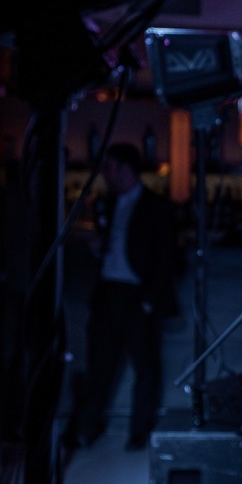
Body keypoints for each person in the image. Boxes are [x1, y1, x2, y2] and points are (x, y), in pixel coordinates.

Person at [63, 142, 178, 451]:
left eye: (110, 167)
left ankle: (139, 432)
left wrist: (150, 299)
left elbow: (167, 257)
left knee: (145, 367)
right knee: (100, 365)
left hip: (138, 294)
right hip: (108, 291)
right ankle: (86, 430)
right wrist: (97, 250)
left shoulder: (156, 206)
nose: (106, 174)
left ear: (126, 169)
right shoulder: (107, 203)